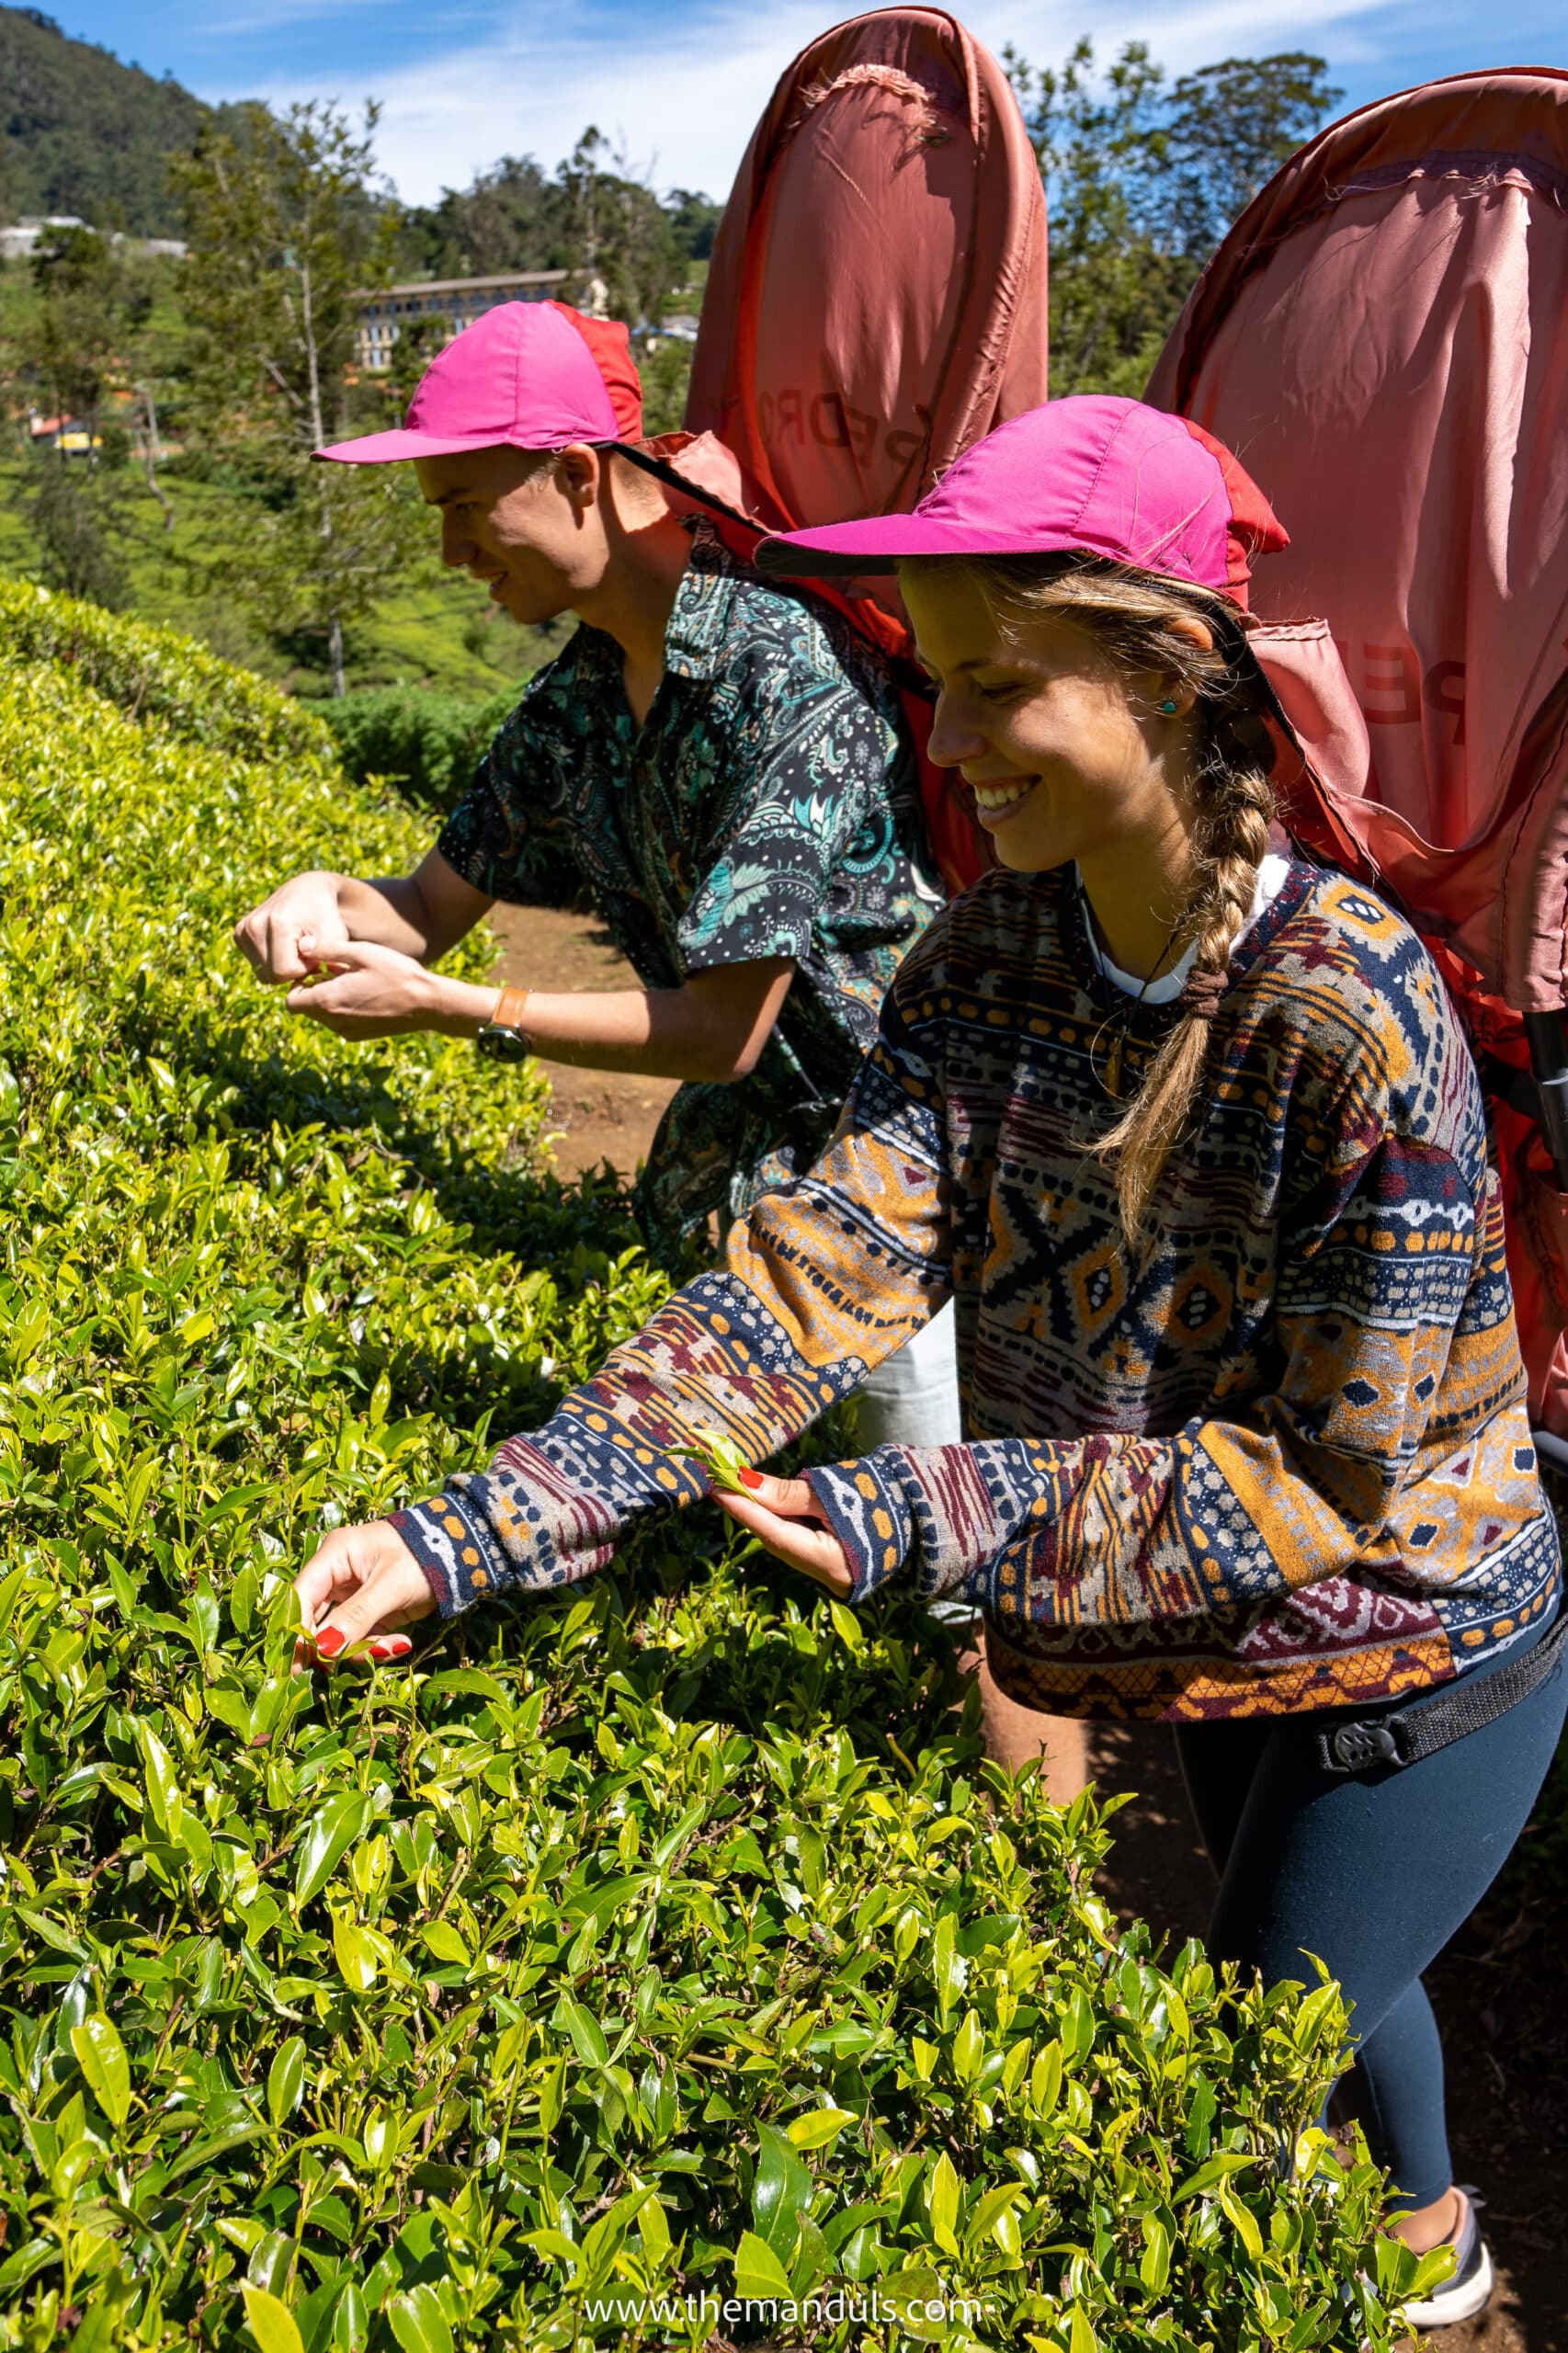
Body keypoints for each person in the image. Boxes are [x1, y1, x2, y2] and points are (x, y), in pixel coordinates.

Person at [289, 396, 1565, 2325]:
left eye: (996, 686)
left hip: (1423, 1643)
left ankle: (1410, 2272)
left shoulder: (1347, 1012)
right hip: (1199, 1634)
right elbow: (798, 1282)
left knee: (1221, 2056)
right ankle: (1435, 2242)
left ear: (1170, 679)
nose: (945, 743)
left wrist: (923, 1509)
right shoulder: (987, 969)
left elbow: (1333, 1481)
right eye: (938, 684)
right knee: (1332, 1967)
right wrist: (465, 1533)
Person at [238, 297, 1080, 1789]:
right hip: (752, 1188)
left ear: (578, 473)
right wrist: (326, 896)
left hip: (908, 1189)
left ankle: (1047, 1908)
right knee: (786, 1524)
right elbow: (426, 905)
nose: (449, 553)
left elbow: (722, 1025)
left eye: (460, 507)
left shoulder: (783, 675)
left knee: (963, 1589)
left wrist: (461, 1012)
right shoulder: (575, 697)